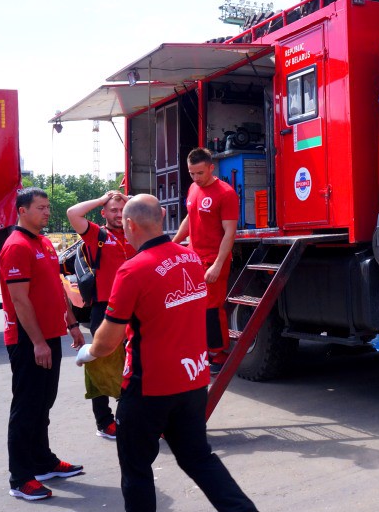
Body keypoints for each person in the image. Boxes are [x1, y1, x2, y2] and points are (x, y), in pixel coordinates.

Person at [75, 194, 257, 512]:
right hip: (192, 381)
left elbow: (108, 341)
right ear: (161, 220)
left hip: (149, 389)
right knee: (200, 459)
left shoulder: (133, 271)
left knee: (137, 471)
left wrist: (90, 350)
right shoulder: (190, 258)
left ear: (130, 225)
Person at [0, 187, 86, 501]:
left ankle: (43, 461)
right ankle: (20, 477)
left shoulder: (45, 243)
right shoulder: (16, 246)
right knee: (26, 407)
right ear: (23, 211)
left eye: (48, 207)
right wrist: (37, 342)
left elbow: (57, 287)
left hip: (51, 335)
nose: (47, 212)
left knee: (43, 403)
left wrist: (72, 324)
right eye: (41, 207)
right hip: (28, 340)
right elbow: (20, 301)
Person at [66, 190, 136, 440]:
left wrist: (127, 201)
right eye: (112, 210)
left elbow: (157, 212)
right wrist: (102, 199)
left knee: (134, 363)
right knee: (100, 363)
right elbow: (73, 213)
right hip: (104, 308)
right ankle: (104, 422)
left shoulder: (134, 231)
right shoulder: (97, 234)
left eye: (122, 210)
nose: (118, 215)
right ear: (103, 213)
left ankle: (130, 417)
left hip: (135, 307)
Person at [172, 147, 239, 369]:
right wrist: (173, 244)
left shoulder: (226, 193)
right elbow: (189, 219)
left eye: (200, 173)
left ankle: (219, 354)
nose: (196, 178)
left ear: (211, 167)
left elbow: (230, 232)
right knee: (194, 306)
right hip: (193, 258)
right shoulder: (193, 189)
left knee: (212, 308)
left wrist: (218, 265)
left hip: (213, 260)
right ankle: (202, 350)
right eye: (192, 173)